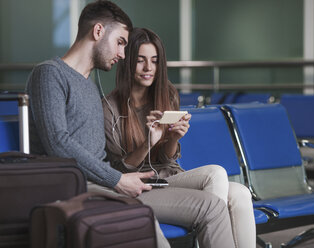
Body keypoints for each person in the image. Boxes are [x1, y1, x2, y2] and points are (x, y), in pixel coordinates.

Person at [26, 1, 235, 247]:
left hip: (109, 185)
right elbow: (57, 143)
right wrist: (116, 179)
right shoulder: (49, 74)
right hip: (86, 189)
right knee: (153, 222)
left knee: (212, 206)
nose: (123, 54)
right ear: (98, 31)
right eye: (121, 42)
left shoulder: (90, 84)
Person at [102, 27, 256, 248]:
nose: (148, 68)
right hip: (142, 184)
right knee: (215, 173)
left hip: (169, 176)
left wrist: (174, 137)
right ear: (127, 63)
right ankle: (205, 234)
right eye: (140, 61)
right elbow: (120, 171)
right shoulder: (109, 109)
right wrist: (148, 142)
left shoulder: (167, 94)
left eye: (154, 61)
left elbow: (168, 158)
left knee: (241, 194)